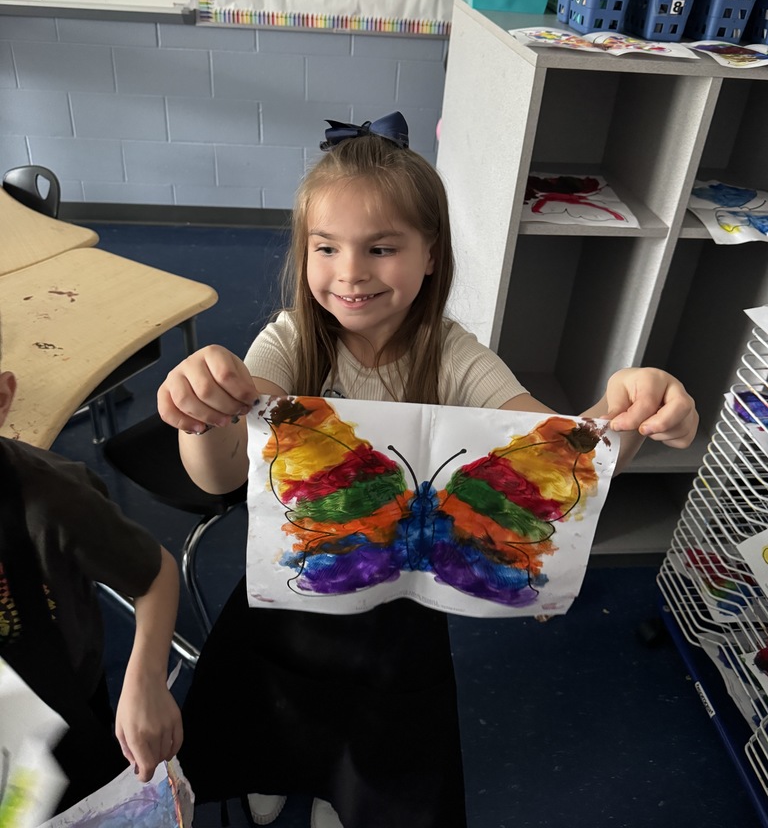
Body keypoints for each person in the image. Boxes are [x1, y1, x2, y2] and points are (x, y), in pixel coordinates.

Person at [158, 111, 699, 828]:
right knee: (280, 701)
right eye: (326, 248)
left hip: (401, 604)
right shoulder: (289, 341)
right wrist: (202, 415)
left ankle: (337, 788)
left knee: (381, 716)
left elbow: (553, 448)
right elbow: (218, 477)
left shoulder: (455, 354)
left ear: (431, 255)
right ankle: (281, 767)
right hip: (298, 586)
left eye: (381, 248)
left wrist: (628, 413)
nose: (350, 272)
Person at [0, 329, 183, 813]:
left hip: (63, 714)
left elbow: (153, 573)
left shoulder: (52, 500)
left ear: (2, 400)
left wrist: (144, 680)